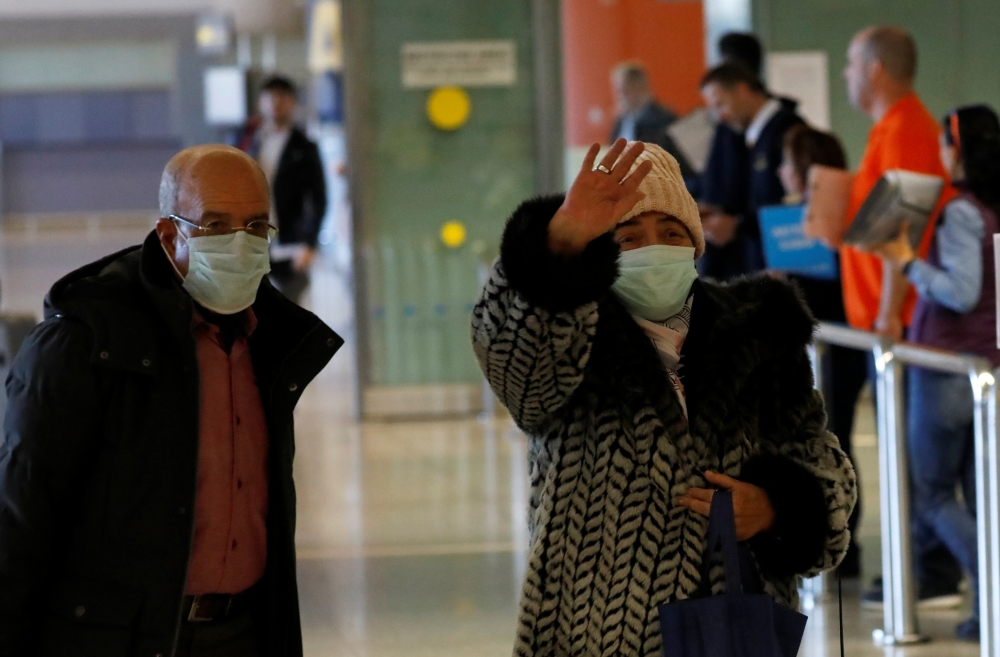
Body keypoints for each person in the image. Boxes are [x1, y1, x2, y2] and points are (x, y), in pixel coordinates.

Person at [471, 139, 857, 656]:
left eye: (671, 233)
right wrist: (559, 248)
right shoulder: (567, 326)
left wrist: (775, 508)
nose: (653, 248)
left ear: (695, 246)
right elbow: (513, 364)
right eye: (628, 237)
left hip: (731, 625)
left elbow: (820, 459)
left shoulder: (759, 332)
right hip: (593, 627)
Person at [0, 145, 343, 657]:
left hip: (243, 631)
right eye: (215, 225)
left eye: (255, 226)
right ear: (169, 235)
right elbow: (19, 521)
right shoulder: (87, 340)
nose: (239, 243)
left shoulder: (271, 345)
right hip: (125, 638)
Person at [841, 25, 963, 608]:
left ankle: (933, 570)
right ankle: (922, 565)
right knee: (907, 455)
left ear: (875, 69)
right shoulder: (886, 131)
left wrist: (890, 312)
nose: (844, 75)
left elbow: (903, 224)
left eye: (849, 64)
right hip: (883, 321)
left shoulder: (908, 129)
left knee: (921, 462)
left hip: (907, 324)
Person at [871, 104, 1000, 641]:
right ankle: (987, 607)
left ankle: (995, 590)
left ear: (959, 149)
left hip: (946, 365)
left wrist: (904, 260)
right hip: (983, 367)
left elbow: (960, 291)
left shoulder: (963, 212)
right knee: (978, 493)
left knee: (934, 494)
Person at [778, 124, 869, 577]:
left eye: (787, 163)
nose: (780, 172)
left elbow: (842, 291)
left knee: (840, 438)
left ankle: (845, 543)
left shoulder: (836, 217)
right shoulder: (791, 219)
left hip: (842, 345)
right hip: (814, 347)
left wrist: (791, 285)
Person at [698, 63, 805, 281]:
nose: (720, 117)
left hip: (788, 270)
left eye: (721, 104)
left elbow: (793, 206)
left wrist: (737, 225)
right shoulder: (751, 139)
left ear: (743, 89)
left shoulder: (787, 131)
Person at [236, 75, 328, 305]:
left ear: (293, 103)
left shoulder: (305, 148)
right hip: (252, 242)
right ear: (261, 102)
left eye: (282, 97)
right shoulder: (247, 142)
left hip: (290, 243)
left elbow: (318, 198)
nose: (276, 103)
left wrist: (309, 242)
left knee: (292, 310)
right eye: (270, 96)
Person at [609, 61, 694, 178]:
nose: (619, 96)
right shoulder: (621, 120)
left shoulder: (664, 119)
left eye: (623, 90)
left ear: (639, 87)